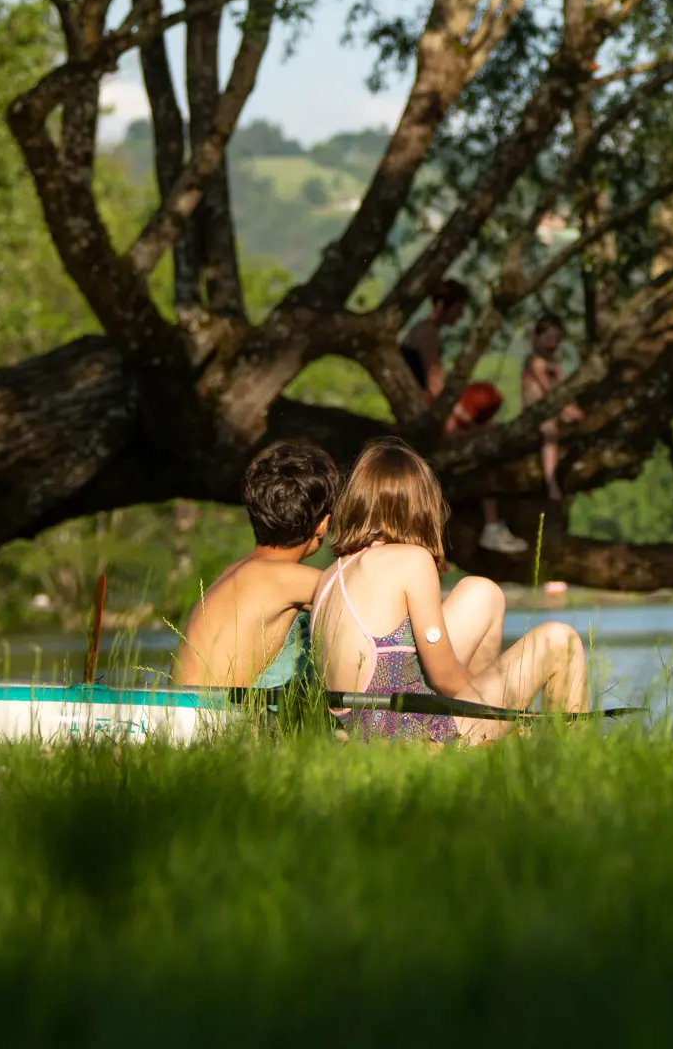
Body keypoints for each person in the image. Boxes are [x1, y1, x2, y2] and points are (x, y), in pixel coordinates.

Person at [310, 438, 588, 745]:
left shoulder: (330, 576)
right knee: (560, 641)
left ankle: (488, 749)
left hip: (355, 735)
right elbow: (444, 676)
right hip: (410, 738)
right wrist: (508, 714)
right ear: (418, 507)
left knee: (482, 592)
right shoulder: (410, 559)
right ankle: (570, 762)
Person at [172, 442, 340, 689]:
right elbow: (360, 602)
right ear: (323, 524)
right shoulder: (287, 579)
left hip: (173, 707)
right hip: (208, 715)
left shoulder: (235, 570)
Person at [401, 280, 528, 554]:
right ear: (445, 306)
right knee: (482, 447)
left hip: (426, 409)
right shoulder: (427, 333)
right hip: (429, 412)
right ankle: (492, 525)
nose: (460, 316)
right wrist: (455, 418)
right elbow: (434, 383)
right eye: (458, 309)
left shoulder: (422, 330)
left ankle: (492, 522)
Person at [520, 313, 585, 502]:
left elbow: (563, 387)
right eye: (548, 338)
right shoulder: (534, 361)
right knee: (550, 431)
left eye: (556, 339)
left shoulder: (554, 362)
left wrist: (570, 407)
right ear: (536, 337)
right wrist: (565, 408)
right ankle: (551, 481)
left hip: (553, 407)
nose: (552, 343)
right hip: (537, 410)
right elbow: (547, 389)